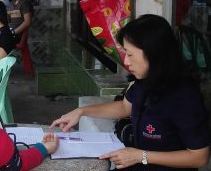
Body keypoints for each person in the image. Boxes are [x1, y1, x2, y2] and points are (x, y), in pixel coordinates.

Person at [50, 15, 210, 170]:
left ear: (154, 54)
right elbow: (124, 108)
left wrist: (141, 156)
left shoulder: (184, 97)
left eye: (130, 55)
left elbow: (199, 157)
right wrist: (82, 111)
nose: (126, 61)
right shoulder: (144, 81)